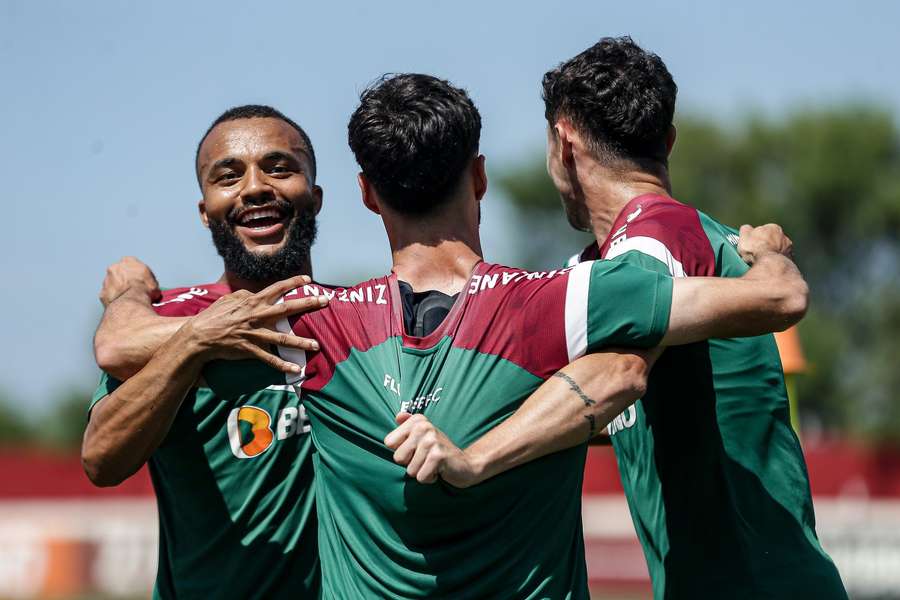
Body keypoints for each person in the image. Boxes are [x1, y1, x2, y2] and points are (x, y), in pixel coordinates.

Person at [202, 73, 809, 598]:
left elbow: (127, 345)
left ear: (365, 194)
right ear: (480, 177)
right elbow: (775, 299)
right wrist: (770, 256)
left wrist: (135, 305)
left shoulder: (313, 323)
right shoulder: (564, 302)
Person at [387, 39, 847, 600]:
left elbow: (616, 374)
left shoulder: (651, 241)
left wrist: (473, 459)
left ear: (563, 142)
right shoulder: (679, 240)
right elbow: (625, 412)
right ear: (669, 142)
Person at [83, 105, 327, 599]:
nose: (256, 187)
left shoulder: (355, 314)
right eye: (228, 176)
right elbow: (100, 459)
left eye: (280, 168)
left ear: (315, 197)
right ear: (205, 210)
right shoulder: (166, 321)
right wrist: (194, 343)